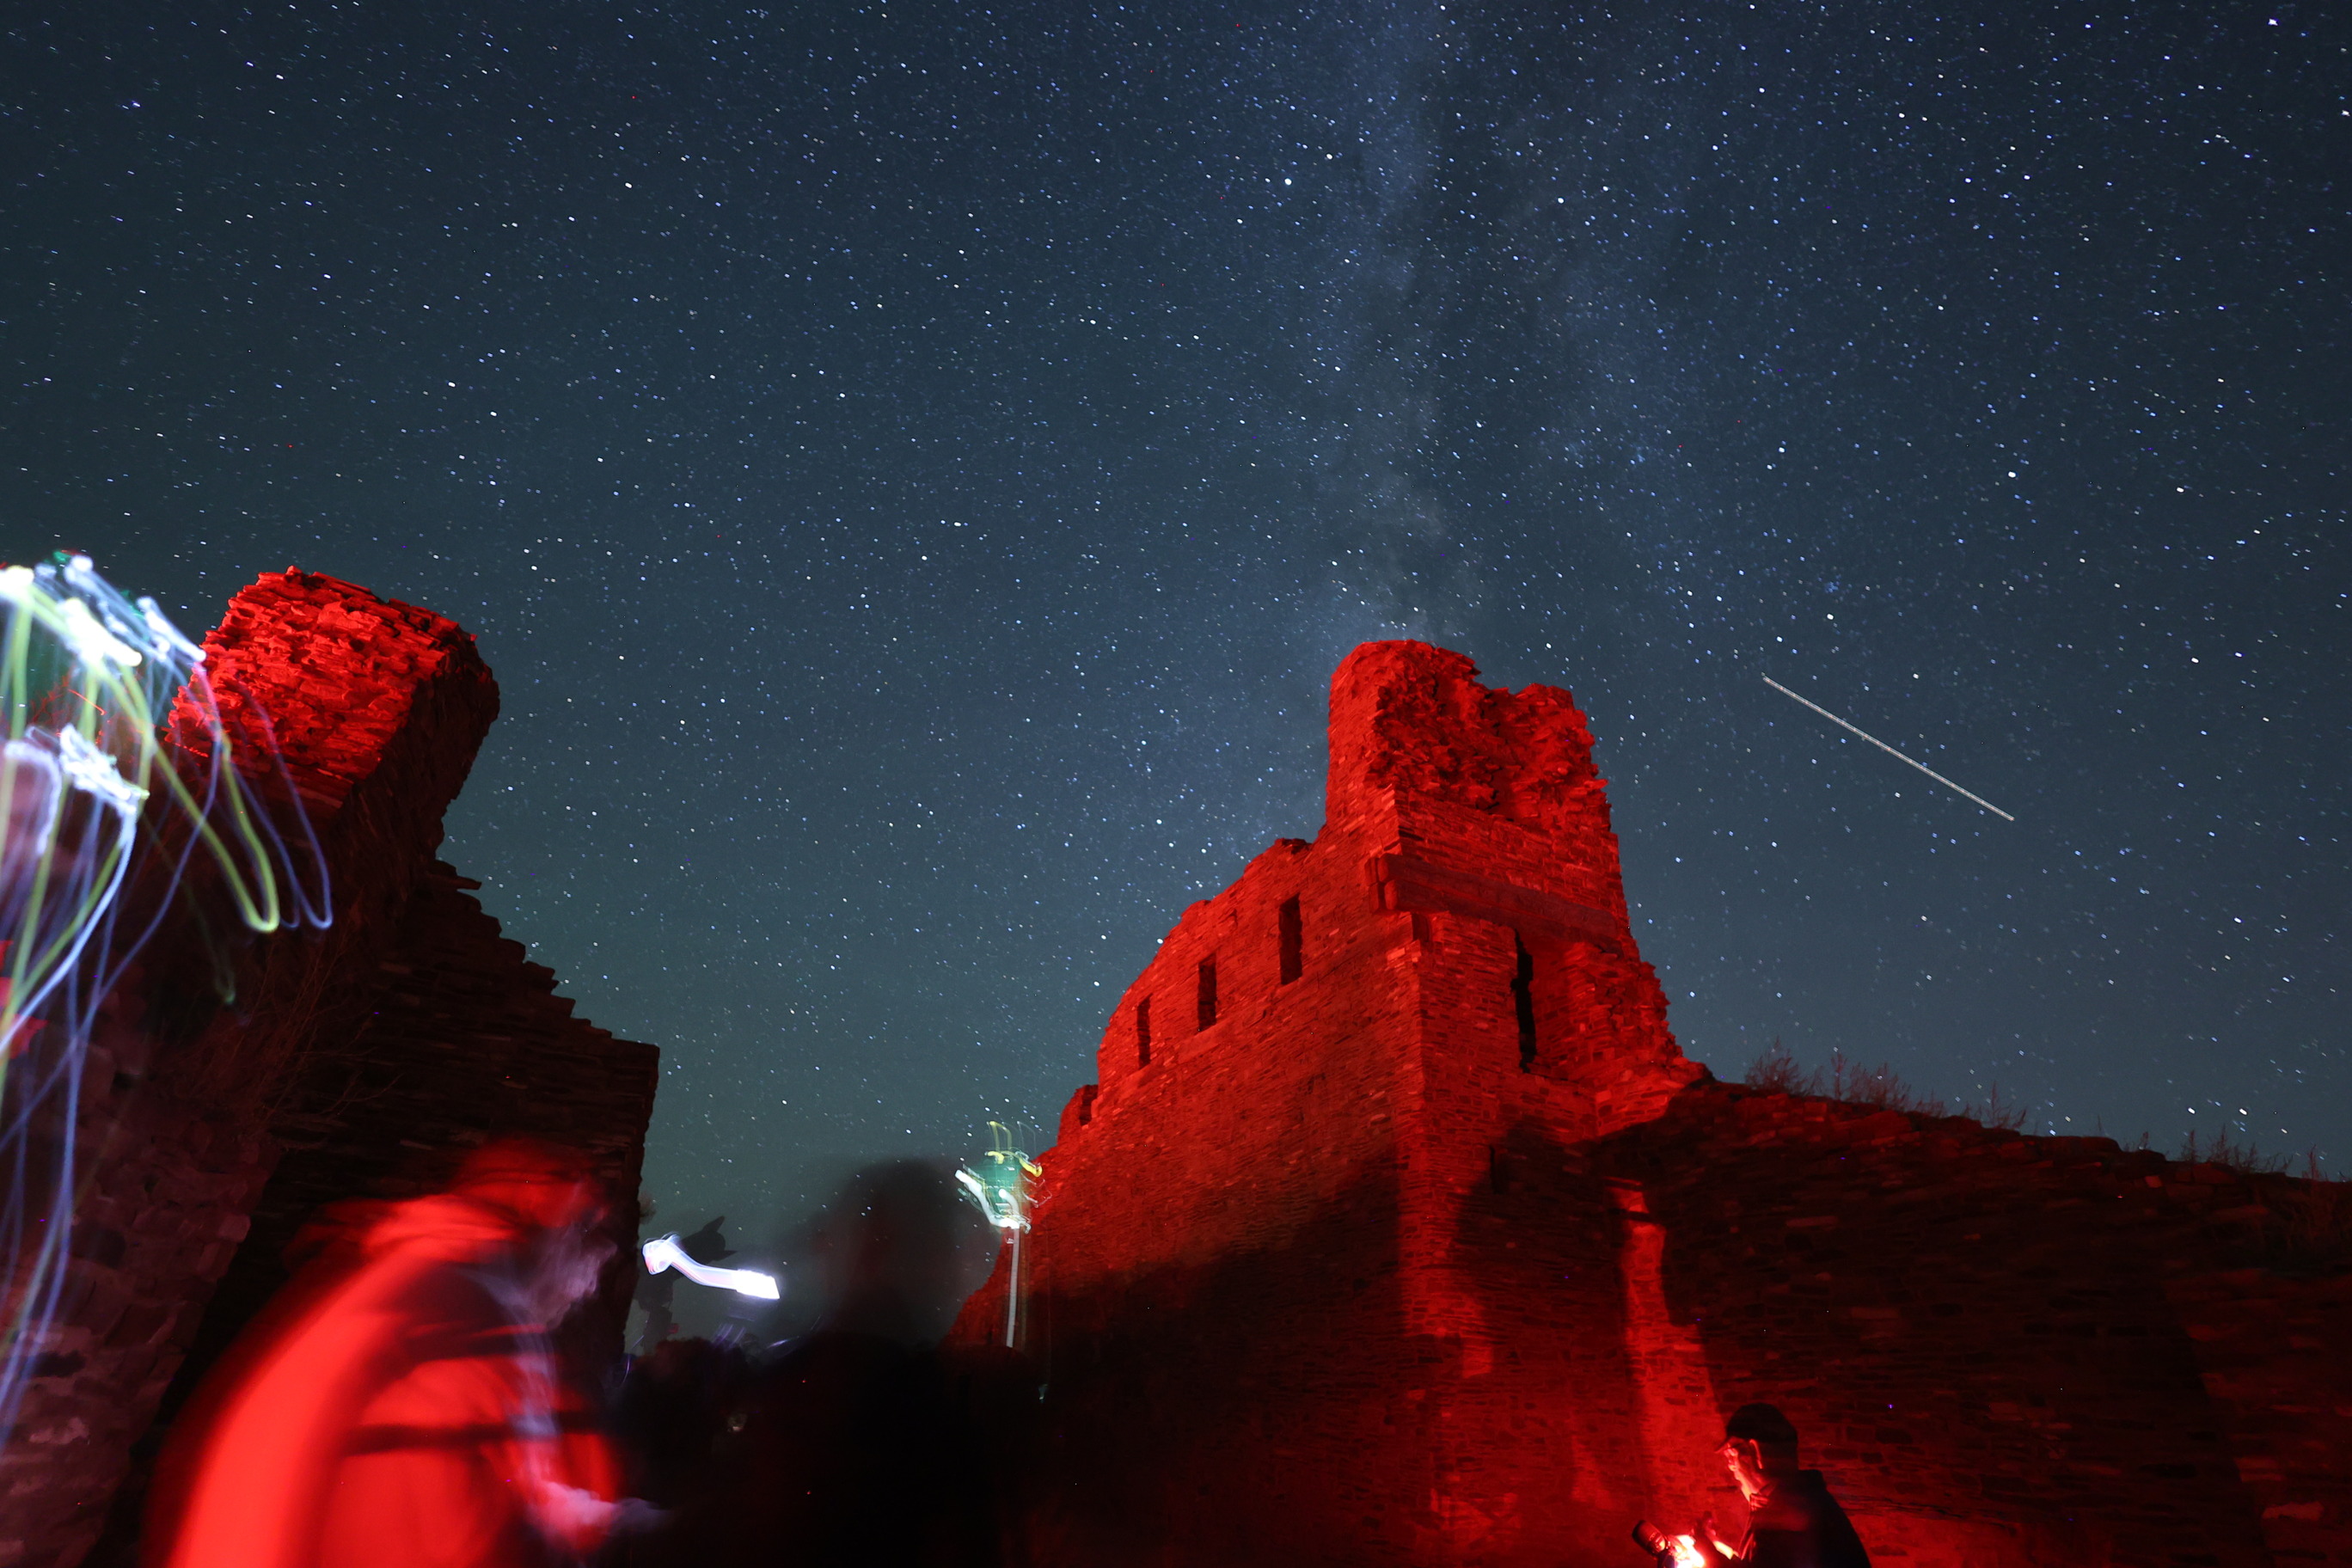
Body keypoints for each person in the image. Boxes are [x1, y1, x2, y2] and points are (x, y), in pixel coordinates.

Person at [145, 1138, 645, 1568]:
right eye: (586, 1226)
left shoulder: (420, 1286)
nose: (596, 1264)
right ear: (548, 1208)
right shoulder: (457, 1313)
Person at [1692, 1403, 1871, 1568]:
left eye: (1731, 1455)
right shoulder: (1795, 1500)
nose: (1730, 1466)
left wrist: (1709, 1554)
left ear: (1755, 1451)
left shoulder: (1791, 1513)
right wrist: (1718, 1549)